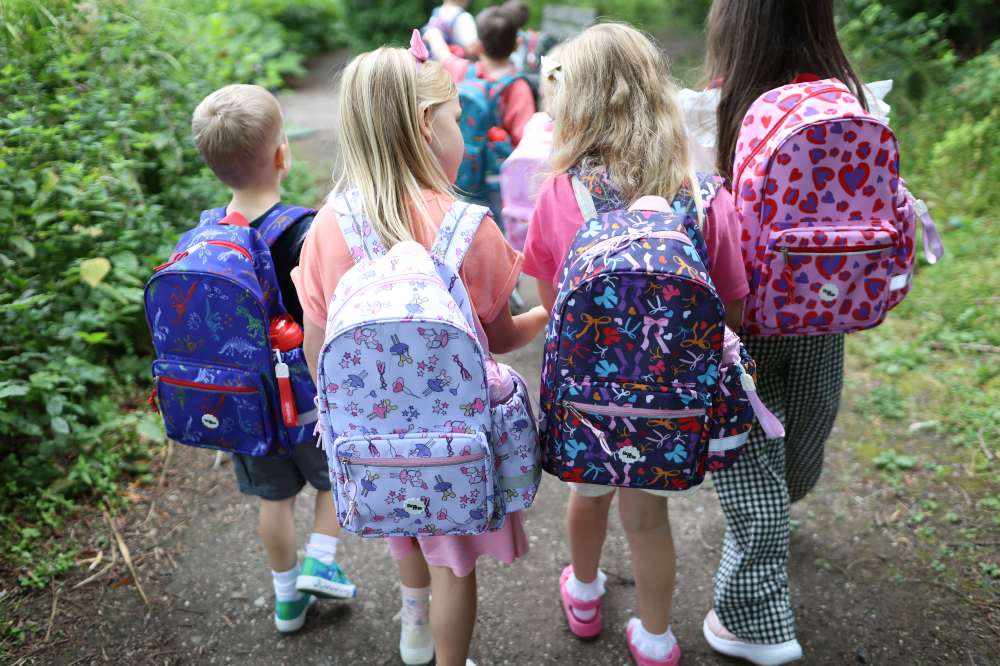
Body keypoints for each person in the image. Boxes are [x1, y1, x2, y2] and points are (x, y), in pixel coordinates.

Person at [293, 36, 548, 666]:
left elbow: (317, 347)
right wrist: (550, 311)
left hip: (372, 440)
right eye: (457, 119)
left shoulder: (327, 226)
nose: (462, 133)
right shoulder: (468, 227)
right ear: (426, 125)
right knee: (454, 567)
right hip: (453, 442)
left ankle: (413, 621)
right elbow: (500, 338)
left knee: (402, 526)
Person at [521, 24, 749, 666]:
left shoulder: (561, 193)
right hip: (672, 408)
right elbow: (729, 309)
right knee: (649, 522)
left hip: (587, 403)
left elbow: (551, 302)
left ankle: (584, 594)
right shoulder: (705, 196)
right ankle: (656, 638)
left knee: (586, 498)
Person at [697, 1, 875, 663]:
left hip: (740, 312)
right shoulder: (848, 97)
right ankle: (754, 613)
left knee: (753, 450)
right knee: (802, 431)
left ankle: (766, 527)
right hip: (826, 305)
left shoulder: (718, 106)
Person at [189, 84, 356, 634]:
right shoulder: (305, 231)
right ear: (283, 155)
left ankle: (286, 600)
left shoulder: (208, 236)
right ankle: (321, 561)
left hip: (244, 402)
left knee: (273, 498)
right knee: (333, 479)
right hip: (303, 394)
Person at [425, 0, 536, 146]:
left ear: (478, 46)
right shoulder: (518, 87)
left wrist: (433, 35)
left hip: (461, 156)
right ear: (517, 45)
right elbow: (526, 140)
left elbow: (444, 56)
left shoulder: (463, 70)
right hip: (499, 161)